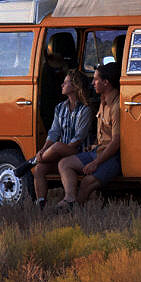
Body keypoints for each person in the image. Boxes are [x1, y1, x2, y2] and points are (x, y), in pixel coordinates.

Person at [55, 61, 122, 210]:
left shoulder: (116, 107)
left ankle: (74, 210)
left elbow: (116, 142)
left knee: (86, 182)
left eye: (96, 79)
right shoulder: (102, 101)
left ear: (106, 83)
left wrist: (95, 163)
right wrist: (93, 147)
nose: (92, 83)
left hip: (111, 157)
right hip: (97, 151)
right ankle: (70, 199)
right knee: (64, 164)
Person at [30, 68, 93, 209]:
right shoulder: (60, 108)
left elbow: (78, 139)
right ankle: (40, 204)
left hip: (78, 153)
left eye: (66, 82)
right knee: (39, 169)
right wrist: (44, 149)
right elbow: (53, 132)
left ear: (75, 86)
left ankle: (31, 161)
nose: (62, 85)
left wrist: (54, 150)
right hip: (58, 152)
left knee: (58, 146)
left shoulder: (85, 110)